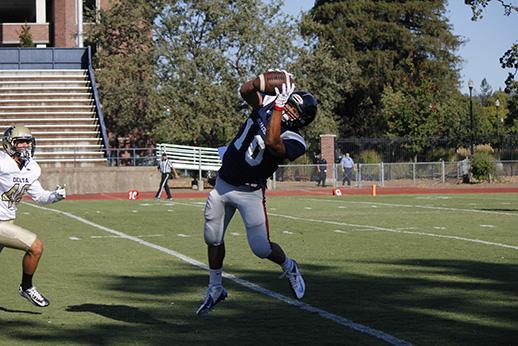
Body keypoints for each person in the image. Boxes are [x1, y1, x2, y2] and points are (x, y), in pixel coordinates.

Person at [196, 72, 317, 316]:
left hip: (250, 193)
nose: (290, 111)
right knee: (212, 237)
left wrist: (279, 109)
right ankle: (215, 288)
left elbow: (273, 143)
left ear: (302, 121)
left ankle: (289, 266)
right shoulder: (267, 104)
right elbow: (245, 92)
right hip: (223, 184)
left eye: (295, 111)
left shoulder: (295, 140)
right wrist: (258, 82)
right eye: (290, 104)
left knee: (261, 249)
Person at [0, 125, 66, 307]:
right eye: (19, 142)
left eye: (27, 142)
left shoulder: (31, 168)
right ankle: (26, 287)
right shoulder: (2, 162)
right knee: (36, 247)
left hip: (7, 220)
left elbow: (40, 197)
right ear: (9, 144)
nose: (24, 146)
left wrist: (55, 196)